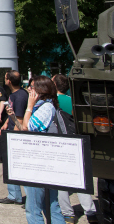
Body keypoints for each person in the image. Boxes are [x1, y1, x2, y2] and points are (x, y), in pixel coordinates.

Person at [14, 75, 64, 224]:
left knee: (34, 209)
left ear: (41, 90)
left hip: (39, 165)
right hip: (46, 163)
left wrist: (29, 106)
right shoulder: (47, 105)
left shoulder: (45, 107)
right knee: (51, 206)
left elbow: (27, 126)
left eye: (32, 87)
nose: (29, 89)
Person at [52, 74, 98, 224]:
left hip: (60, 145)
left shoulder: (53, 102)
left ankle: (68, 214)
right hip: (76, 143)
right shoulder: (72, 101)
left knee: (61, 182)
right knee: (80, 179)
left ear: (54, 85)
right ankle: (90, 211)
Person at [0, 70, 28, 205]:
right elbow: (13, 114)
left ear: (9, 80)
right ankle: (14, 195)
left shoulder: (20, 96)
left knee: (17, 167)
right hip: (10, 130)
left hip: (15, 136)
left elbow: (20, 120)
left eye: (5, 78)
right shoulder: (15, 94)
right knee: (10, 167)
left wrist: (13, 138)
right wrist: (5, 124)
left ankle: (21, 196)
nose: (4, 79)